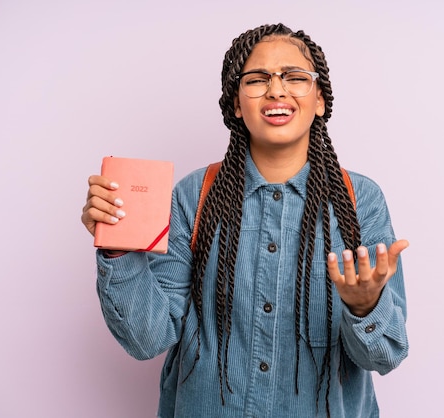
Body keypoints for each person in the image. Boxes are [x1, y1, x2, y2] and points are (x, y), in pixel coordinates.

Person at [81, 23, 409, 418]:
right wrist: (117, 246)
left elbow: (386, 354)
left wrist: (365, 306)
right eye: (257, 79)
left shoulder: (361, 202)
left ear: (319, 99)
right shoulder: (192, 196)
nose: (276, 89)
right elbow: (147, 339)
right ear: (236, 103)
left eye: (294, 77)